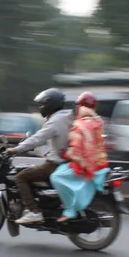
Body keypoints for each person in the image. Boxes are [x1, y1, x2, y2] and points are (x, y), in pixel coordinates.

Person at [5, 88, 73, 224]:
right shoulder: (65, 117)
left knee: (21, 177)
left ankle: (33, 211)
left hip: (54, 165)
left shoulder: (55, 121)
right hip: (65, 162)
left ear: (50, 105)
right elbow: (53, 143)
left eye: (42, 105)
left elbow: (38, 138)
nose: (41, 108)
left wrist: (16, 149)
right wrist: (35, 150)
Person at [50, 91, 110, 223]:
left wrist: (64, 154)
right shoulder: (97, 123)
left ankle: (70, 209)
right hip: (99, 164)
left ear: (79, 106)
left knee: (56, 177)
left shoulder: (80, 125)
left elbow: (76, 151)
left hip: (85, 166)